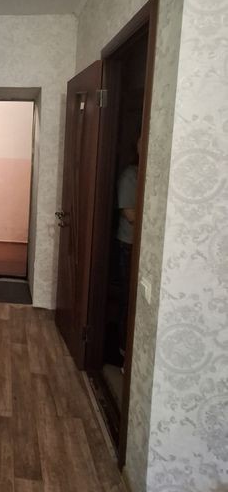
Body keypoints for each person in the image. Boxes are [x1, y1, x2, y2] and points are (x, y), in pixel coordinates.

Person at [116, 138, 139, 357]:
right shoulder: (130, 176)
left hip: (134, 245)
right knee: (128, 295)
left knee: (131, 296)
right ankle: (124, 349)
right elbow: (130, 214)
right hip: (129, 244)